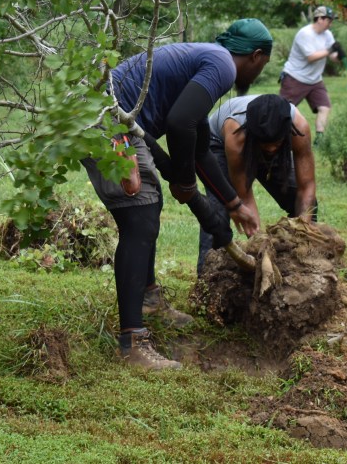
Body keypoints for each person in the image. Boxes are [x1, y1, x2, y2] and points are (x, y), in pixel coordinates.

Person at [82, 19, 273, 370]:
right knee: (140, 217)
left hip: (114, 117)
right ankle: (132, 344)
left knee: (148, 209)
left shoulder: (202, 60)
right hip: (108, 121)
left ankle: (149, 301)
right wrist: (185, 183)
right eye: (263, 65)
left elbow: (197, 146)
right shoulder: (222, 67)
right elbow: (179, 124)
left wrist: (233, 204)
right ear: (257, 56)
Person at [197, 94, 317, 275]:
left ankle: (305, 265)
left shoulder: (298, 127)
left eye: (274, 143)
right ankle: (208, 276)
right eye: (266, 144)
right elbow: (243, 195)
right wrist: (260, 247)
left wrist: (303, 232)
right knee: (219, 209)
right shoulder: (235, 132)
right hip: (219, 145)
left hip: (262, 140)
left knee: (305, 204)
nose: (270, 149)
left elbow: (306, 187)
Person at [279, 5, 344, 146]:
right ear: (319, 19)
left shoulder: (328, 34)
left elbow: (331, 55)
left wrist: (338, 55)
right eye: (329, 20)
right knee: (282, 111)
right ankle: (276, 139)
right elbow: (311, 57)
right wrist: (330, 50)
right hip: (295, 78)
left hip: (315, 80)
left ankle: (319, 140)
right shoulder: (305, 34)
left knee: (324, 107)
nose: (331, 23)